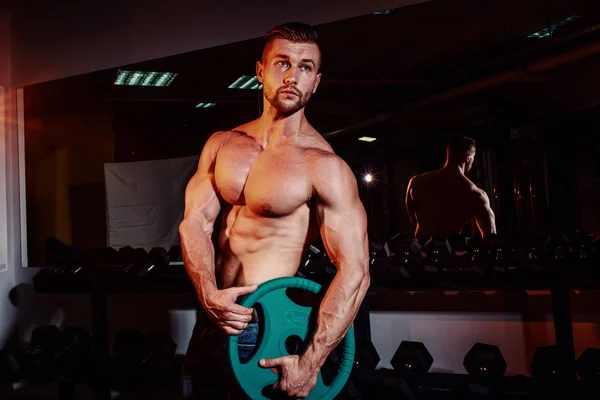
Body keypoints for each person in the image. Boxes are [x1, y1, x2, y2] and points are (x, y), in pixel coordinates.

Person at [178, 22, 370, 399]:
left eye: (306, 67)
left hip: (262, 325)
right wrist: (207, 293)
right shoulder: (222, 144)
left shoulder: (323, 166)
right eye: (282, 63)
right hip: (210, 318)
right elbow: (194, 223)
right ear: (260, 71)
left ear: (316, 81)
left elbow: (356, 272)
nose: (293, 76)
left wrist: (311, 362)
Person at [405, 136, 496, 242]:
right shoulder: (476, 194)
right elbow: (491, 236)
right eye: (473, 157)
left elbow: (413, 222)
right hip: (448, 254)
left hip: (420, 252)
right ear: (467, 157)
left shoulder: (416, 182)